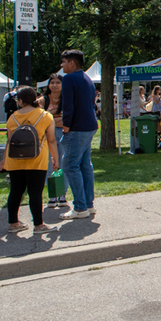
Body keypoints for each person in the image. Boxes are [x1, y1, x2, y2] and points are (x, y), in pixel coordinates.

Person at [0, 87, 60, 234]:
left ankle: (13, 223)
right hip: (37, 159)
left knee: (15, 191)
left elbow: (9, 141)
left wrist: (3, 160)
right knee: (35, 192)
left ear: (19, 101)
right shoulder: (45, 116)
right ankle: (38, 225)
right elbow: (51, 140)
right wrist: (56, 159)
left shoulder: (12, 117)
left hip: (15, 160)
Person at [58, 50, 100, 221]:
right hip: (90, 125)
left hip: (76, 127)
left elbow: (68, 106)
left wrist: (66, 127)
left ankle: (80, 206)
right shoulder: (87, 78)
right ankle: (88, 204)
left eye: (64, 62)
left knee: (69, 165)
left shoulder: (69, 79)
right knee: (85, 165)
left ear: (72, 63)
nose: (62, 66)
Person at [43, 74, 69, 208]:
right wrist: (57, 119)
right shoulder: (43, 100)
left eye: (58, 82)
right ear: (48, 85)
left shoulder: (67, 99)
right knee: (50, 165)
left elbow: (68, 118)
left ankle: (63, 194)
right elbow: (41, 118)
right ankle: (53, 195)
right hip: (48, 134)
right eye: (52, 82)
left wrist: (52, 118)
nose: (55, 85)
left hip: (64, 133)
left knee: (64, 164)